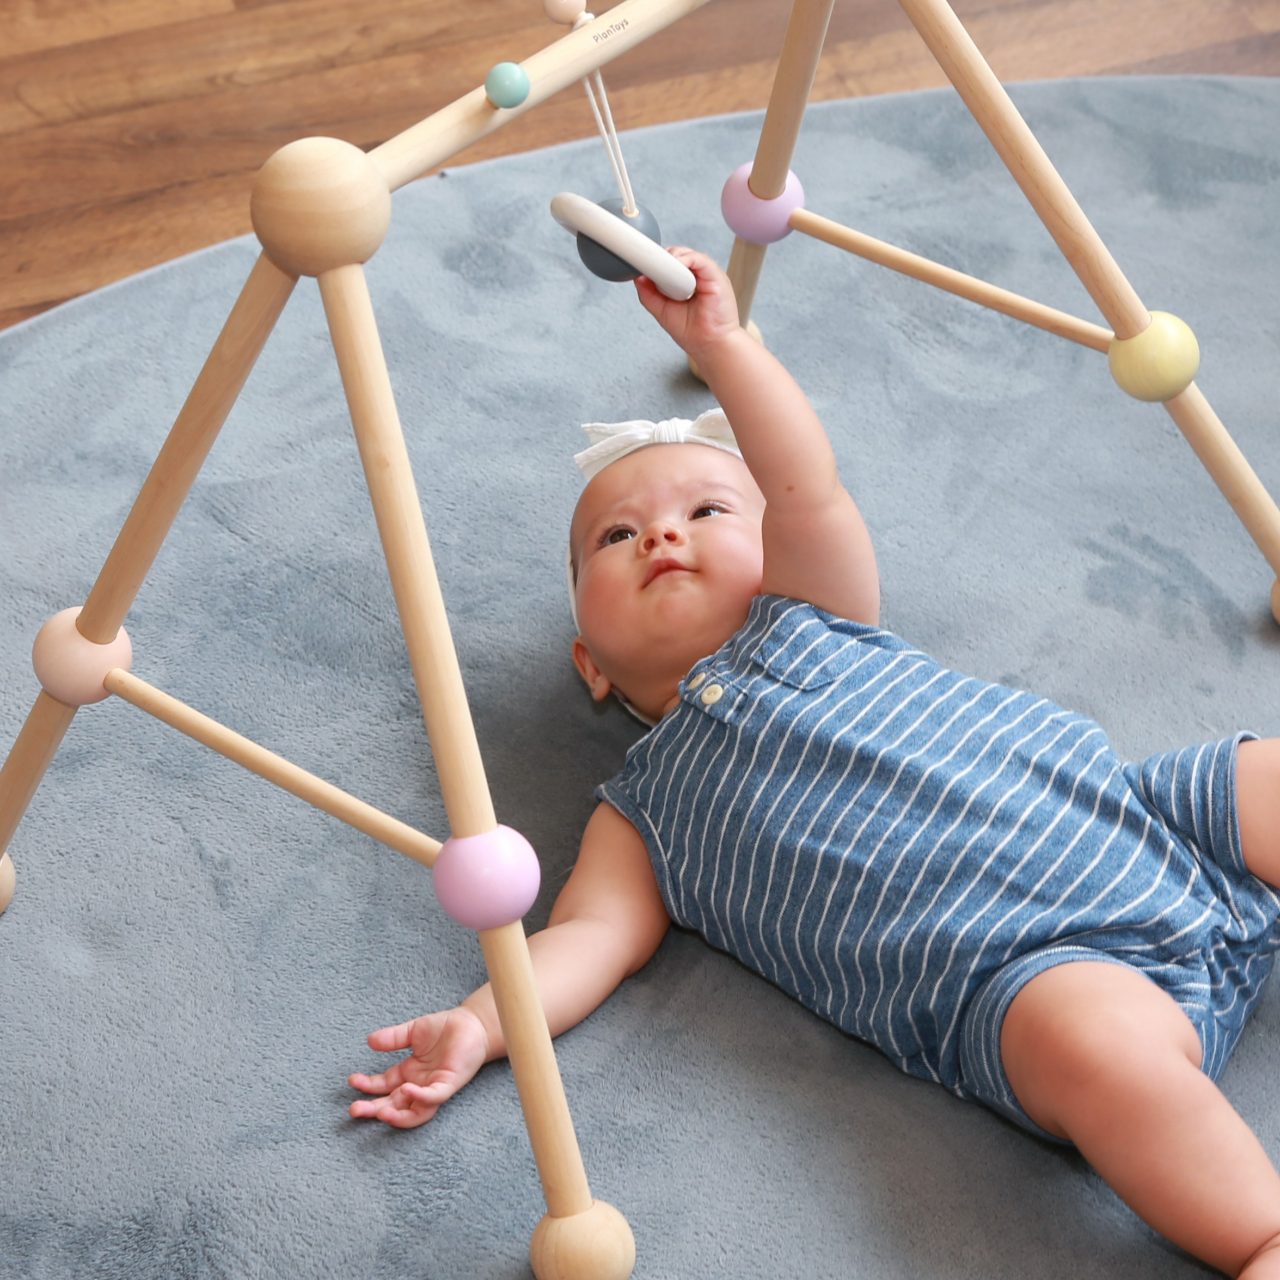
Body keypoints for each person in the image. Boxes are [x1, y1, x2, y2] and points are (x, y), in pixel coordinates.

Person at [348, 248, 1280, 1278]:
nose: (661, 533)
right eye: (615, 535)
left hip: (1156, 817)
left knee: (1261, 775)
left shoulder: (815, 613)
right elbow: (584, 941)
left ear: (772, 548)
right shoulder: (641, 813)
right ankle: (1258, 1234)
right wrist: (482, 1025)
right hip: (1031, 974)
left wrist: (722, 346)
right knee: (1095, 1054)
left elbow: (802, 483)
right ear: (591, 666)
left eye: (707, 510)